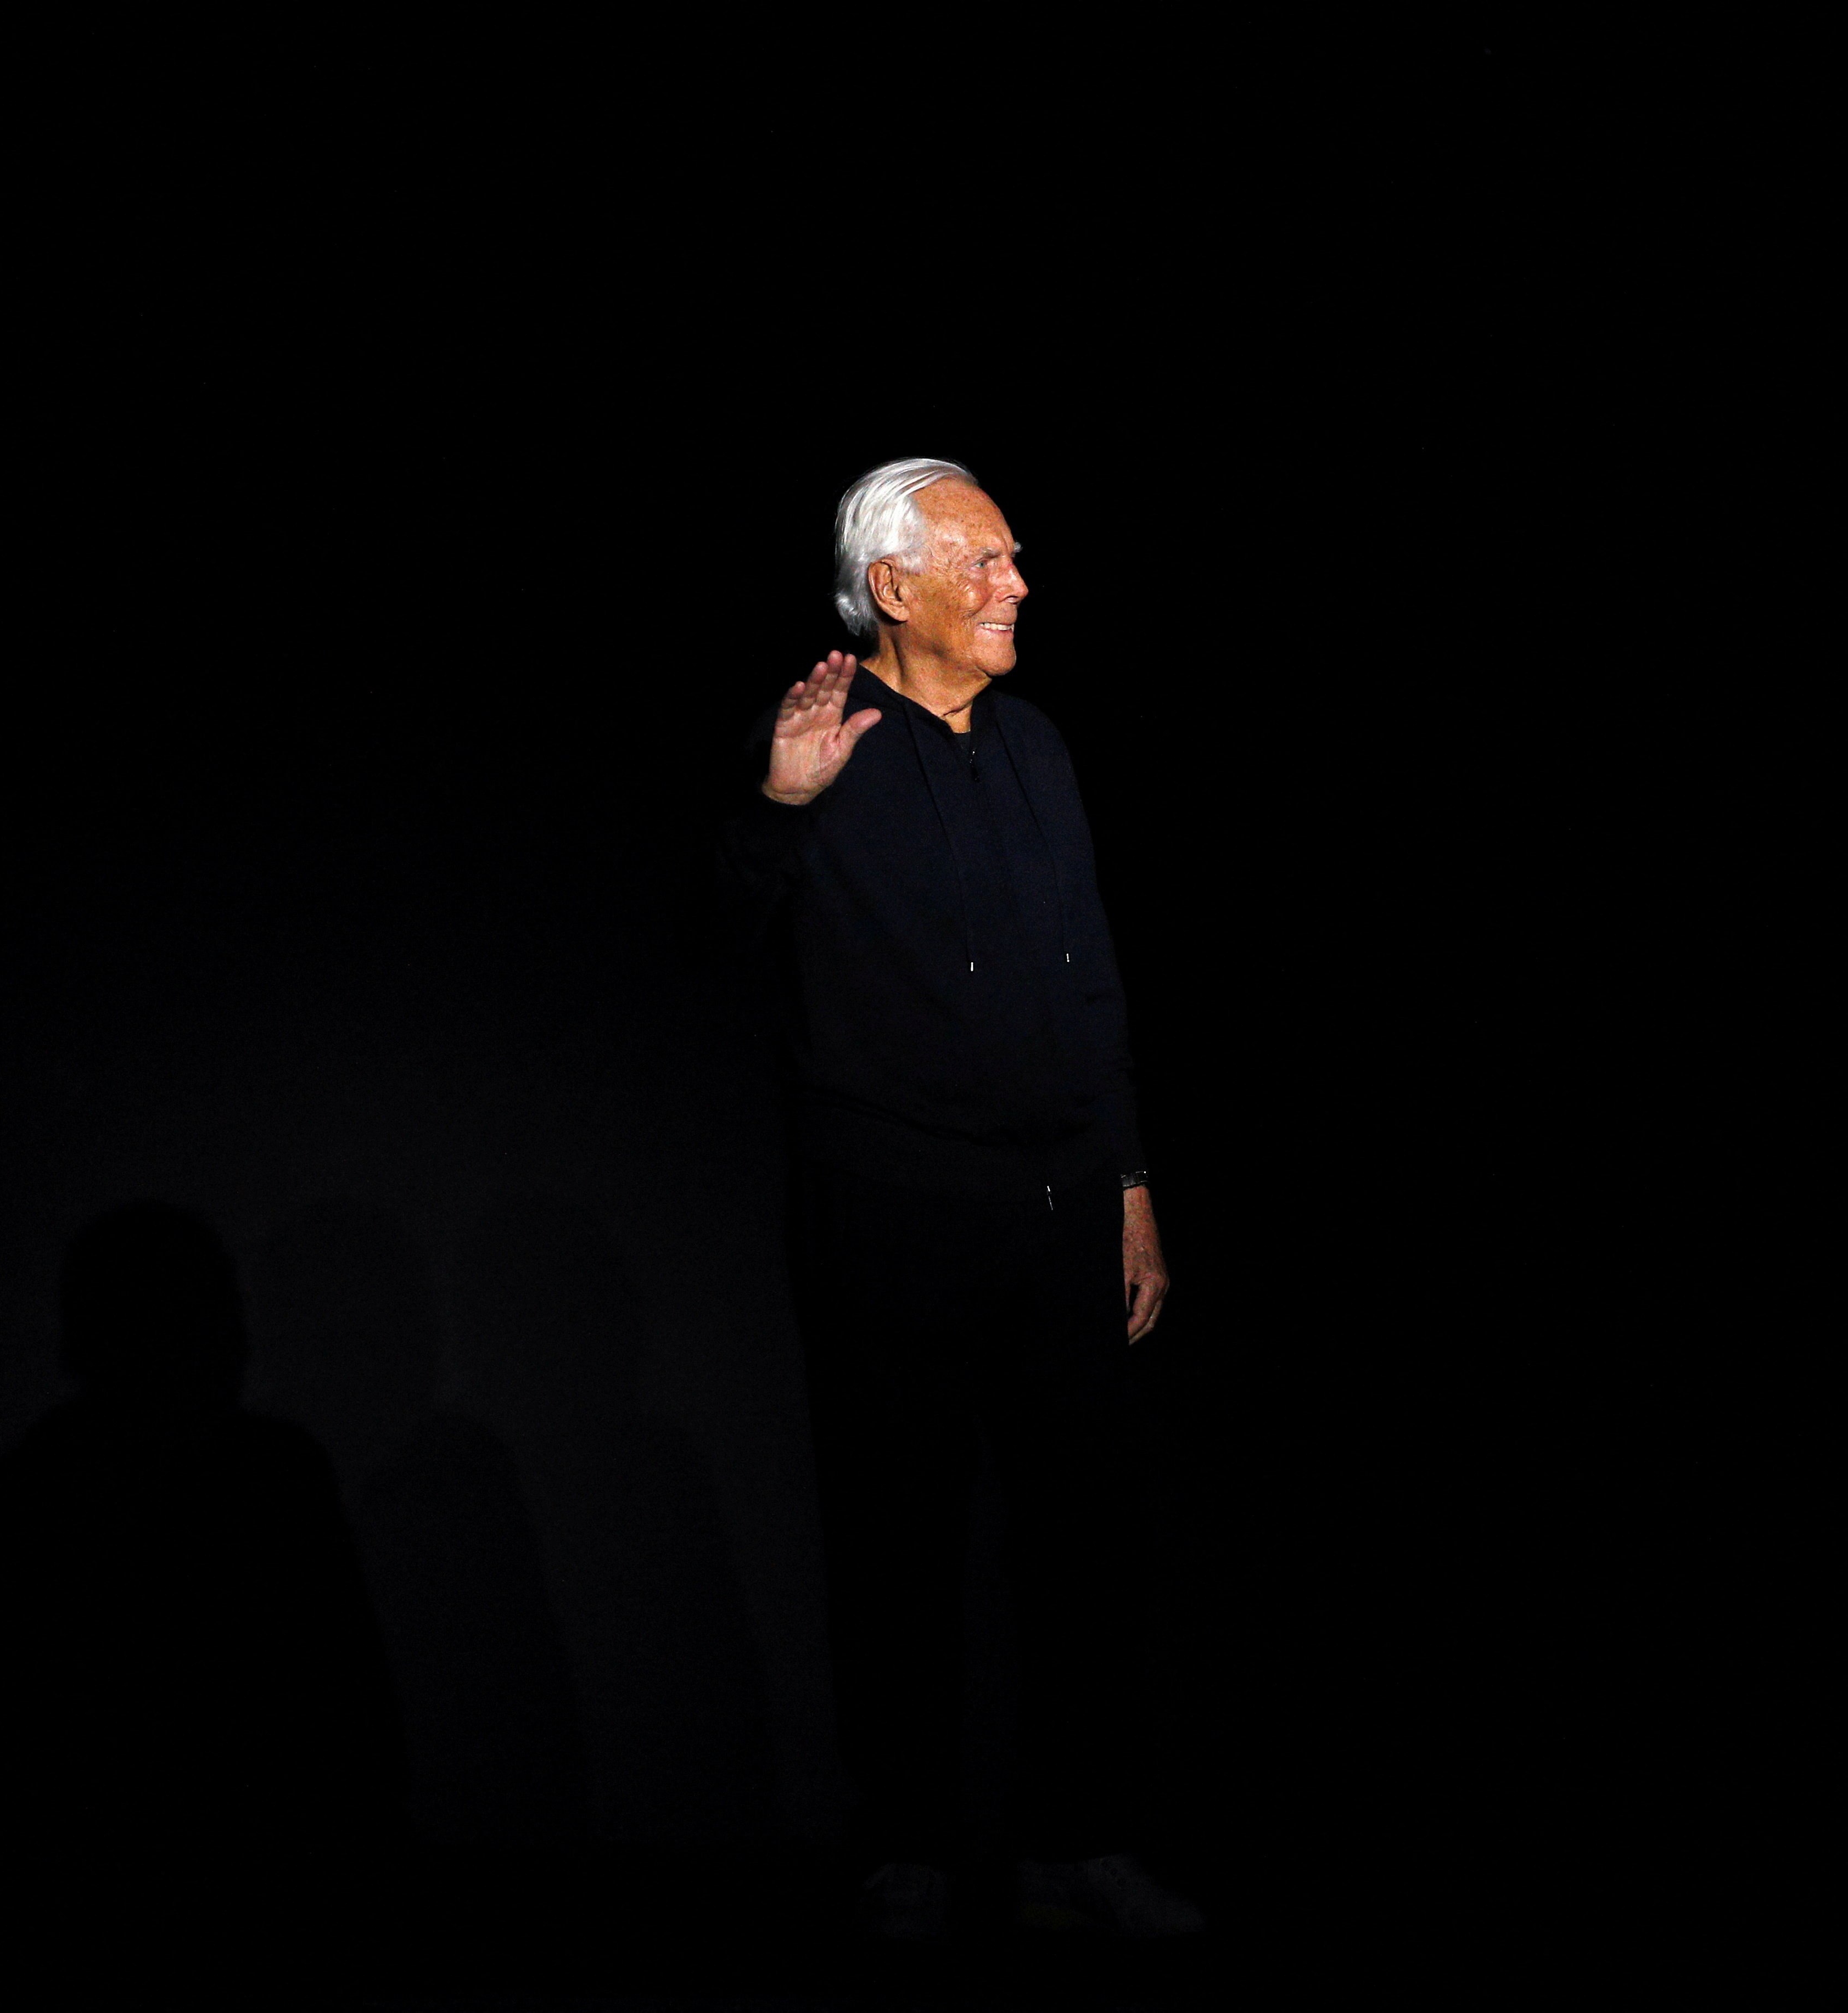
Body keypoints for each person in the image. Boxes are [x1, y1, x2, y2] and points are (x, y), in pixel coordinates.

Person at [716, 458, 1202, 1941]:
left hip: (1059, 1205)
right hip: (891, 1217)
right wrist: (777, 808)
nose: (1017, 585)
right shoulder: (818, 749)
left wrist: (1130, 1185)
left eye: (1012, 559)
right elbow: (712, 950)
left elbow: (1091, 974)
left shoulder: (1037, 745)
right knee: (898, 1540)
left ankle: (1080, 1842)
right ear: (893, 587)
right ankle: (911, 1852)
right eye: (985, 562)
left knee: (1086, 1541)